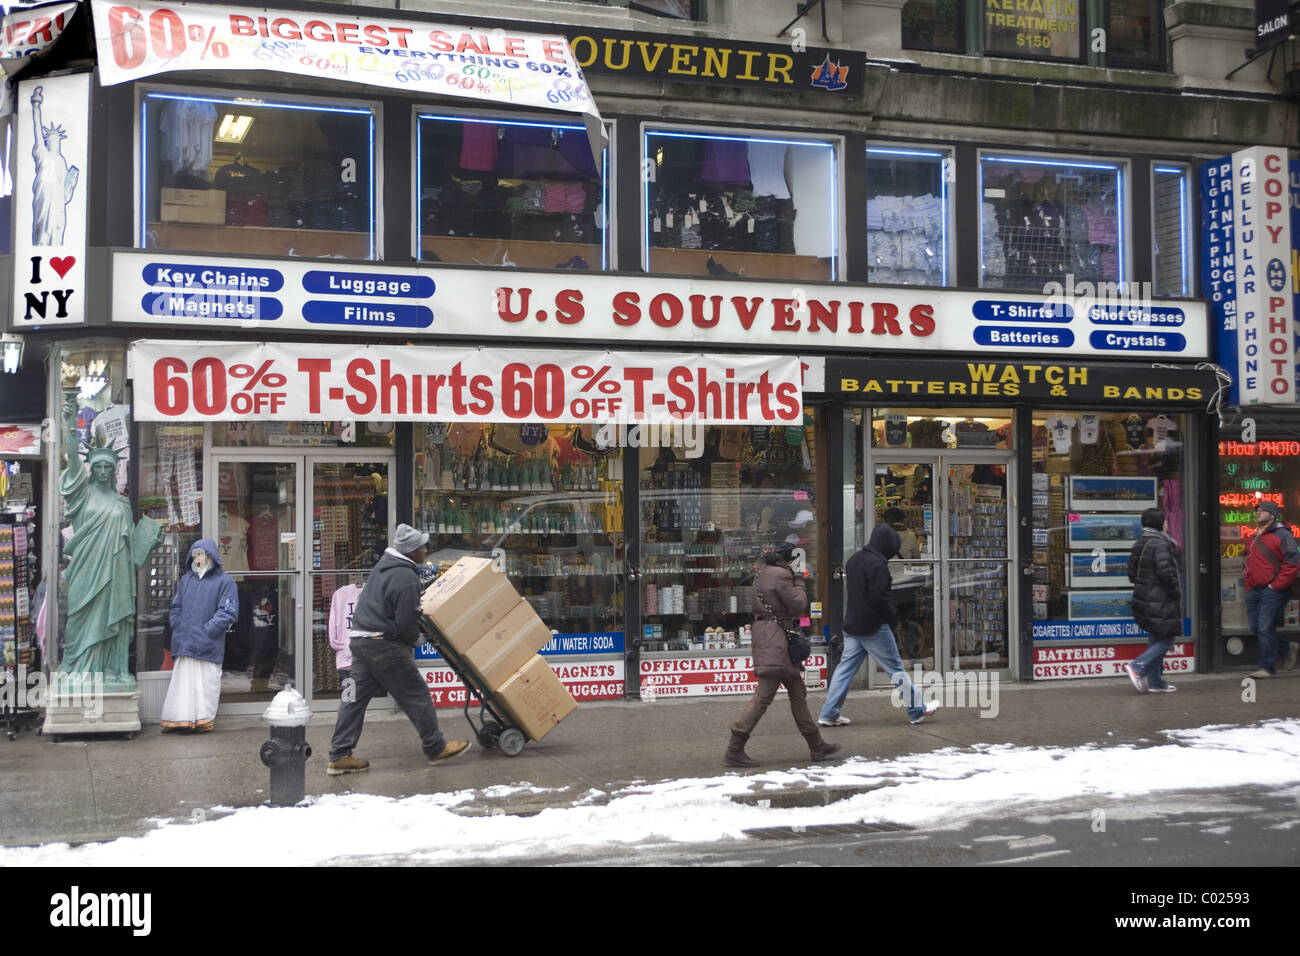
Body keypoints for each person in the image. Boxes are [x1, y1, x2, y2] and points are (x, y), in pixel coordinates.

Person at [327, 524, 469, 774]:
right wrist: (416, 640)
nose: (426, 549)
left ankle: (339, 755)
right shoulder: (405, 577)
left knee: (352, 699)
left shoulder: (382, 568)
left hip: (360, 642)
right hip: (383, 645)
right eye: (423, 546)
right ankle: (436, 748)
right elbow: (406, 622)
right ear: (413, 551)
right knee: (417, 694)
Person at [59, 395, 161, 688]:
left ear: (114, 468)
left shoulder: (122, 503)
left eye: (108, 467)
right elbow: (71, 458)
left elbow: (129, 543)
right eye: (98, 466)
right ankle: (77, 668)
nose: (103, 471)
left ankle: (115, 671)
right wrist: (70, 421)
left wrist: (145, 544)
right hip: (86, 572)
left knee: (115, 623)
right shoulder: (82, 495)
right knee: (79, 619)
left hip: (116, 574)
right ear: (92, 468)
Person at [724, 542, 841, 767]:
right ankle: (734, 748)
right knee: (763, 696)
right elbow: (798, 604)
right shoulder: (782, 576)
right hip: (776, 641)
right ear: (789, 560)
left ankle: (817, 746)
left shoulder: (764, 572)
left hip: (772, 638)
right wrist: (799, 581)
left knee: (798, 692)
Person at [818, 522, 940, 728]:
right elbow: (882, 598)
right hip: (874, 626)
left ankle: (828, 713)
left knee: (844, 669)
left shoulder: (855, 559)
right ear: (887, 545)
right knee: (896, 668)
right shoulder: (878, 565)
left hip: (852, 624)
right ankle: (916, 709)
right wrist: (892, 618)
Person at [159, 540, 239, 731]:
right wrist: (177, 625)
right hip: (185, 641)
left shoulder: (225, 582)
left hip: (208, 643)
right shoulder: (186, 581)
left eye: (200, 555)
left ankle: (203, 720)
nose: (197, 559)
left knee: (206, 684)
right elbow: (176, 607)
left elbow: (228, 612)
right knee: (182, 684)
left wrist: (208, 629)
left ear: (210, 556)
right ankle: (178, 719)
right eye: (195, 555)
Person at [1123, 508, 1182, 693]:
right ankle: (1137, 667)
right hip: (1159, 599)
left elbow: (1131, 574)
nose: (1167, 524)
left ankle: (1156, 682)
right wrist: (1175, 592)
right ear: (1158, 523)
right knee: (1167, 640)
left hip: (1143, 597)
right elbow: (1167, 574)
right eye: (1164, 521)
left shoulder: (1139, 543)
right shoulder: (1160, 544)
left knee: (1156, 637)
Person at [1242, 500, 1299, 678]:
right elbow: (1247, 562)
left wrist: (1276, 585)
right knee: (1257, 627)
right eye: (1257, 510)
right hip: (1255, 589)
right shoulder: (1254, 536)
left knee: (1265, 628)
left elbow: (1292, 562)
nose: (1258, 512)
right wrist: (1249, 585)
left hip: (1272, 591)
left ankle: (1266, 668)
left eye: (1262, 510)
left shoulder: (1283, 535)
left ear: (1272, 515)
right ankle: (1288, 647)